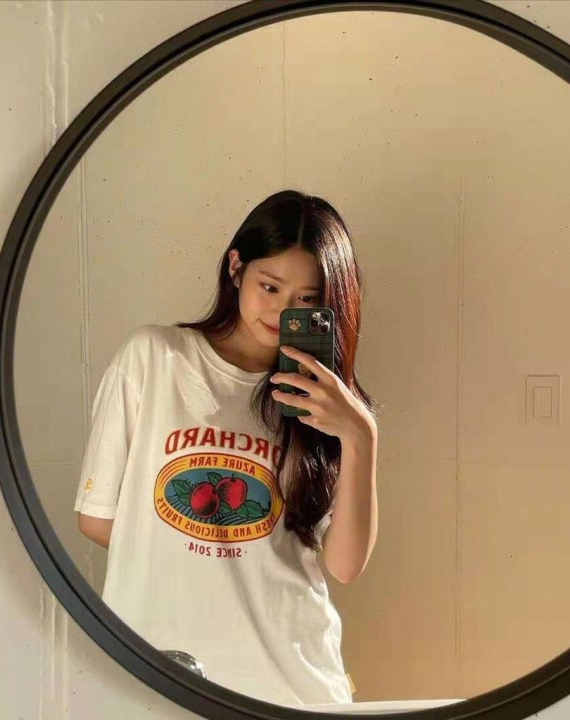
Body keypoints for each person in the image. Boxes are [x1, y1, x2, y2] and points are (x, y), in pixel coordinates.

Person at [74, 189, 380, 707]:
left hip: (292, 685)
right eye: (270, 286)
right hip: (161, 673)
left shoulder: (326, 402)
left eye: (307, 299)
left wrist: (360, 435)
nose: (283, 310)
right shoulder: (154, 358)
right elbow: (96, 517)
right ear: (236, 268)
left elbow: (345, 565)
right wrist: (213, 559)